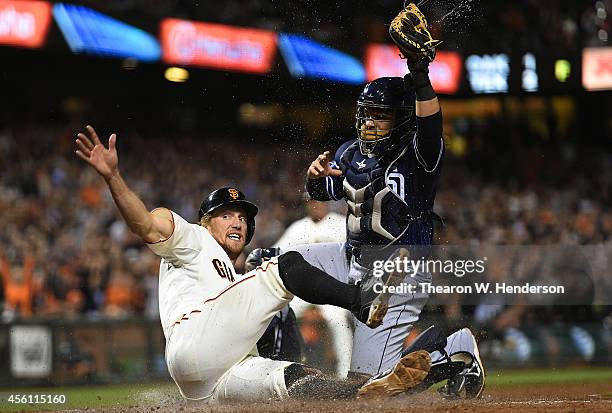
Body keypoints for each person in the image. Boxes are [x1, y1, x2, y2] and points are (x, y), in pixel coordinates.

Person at [74, 125, 431, 403]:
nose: (237, 222)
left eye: (242, 218)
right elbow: (145, 224)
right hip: (195, 336)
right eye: (225, 215)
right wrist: (113, 177)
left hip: (207, 379)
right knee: (281, 266)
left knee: (292, 381)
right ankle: (361, 300)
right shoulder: (191, 238)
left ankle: (361, 393)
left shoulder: (227, 273)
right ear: (204, 222)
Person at [273, 3, 484, 398]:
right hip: (350, 259)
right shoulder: (351, 152)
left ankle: (454, 347)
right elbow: (323, 194)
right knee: (276, 267)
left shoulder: (419, 156)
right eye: (366, 114)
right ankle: (273, 361)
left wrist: (420, 75)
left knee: (369, 393)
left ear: (402, 119)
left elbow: (432, 124)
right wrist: (313, 179)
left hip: (398, 271)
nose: (369, 122)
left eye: (380, 116)